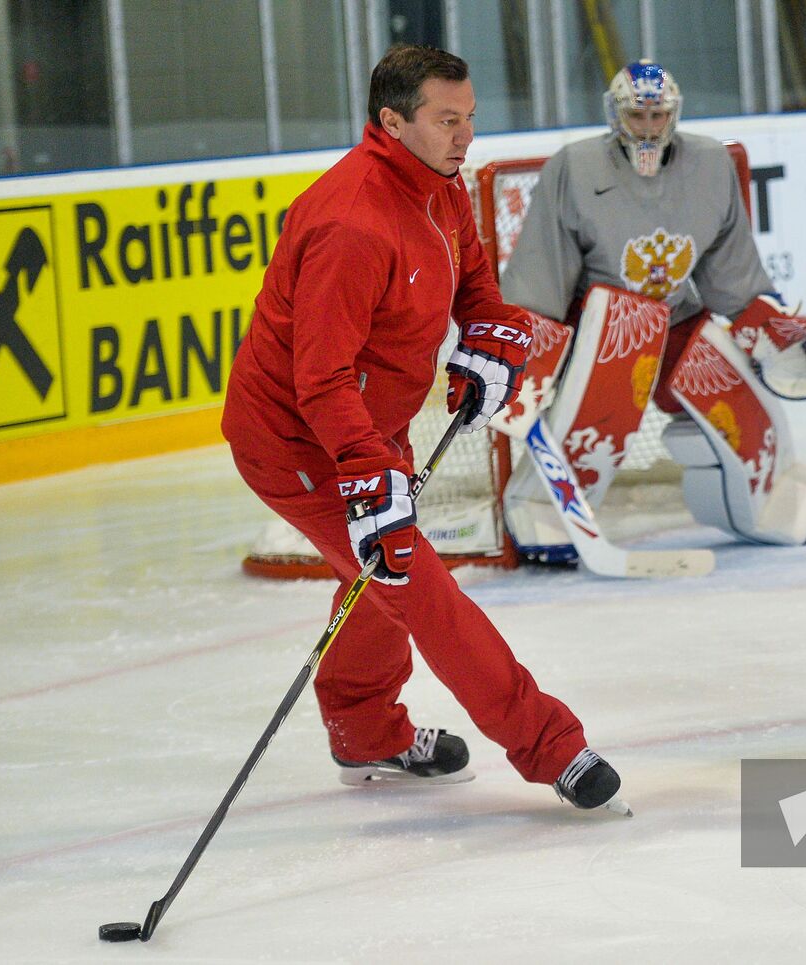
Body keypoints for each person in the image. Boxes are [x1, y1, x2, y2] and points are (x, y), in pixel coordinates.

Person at [222, 44, 627, 813]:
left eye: (470, 117)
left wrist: (489, 331)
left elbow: (471, 275)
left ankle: (367, 731)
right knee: (416, 583)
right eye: (447, 120)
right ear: (393, 122)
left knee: (374, 576)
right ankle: (551, 745)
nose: (465, 135)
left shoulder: (439, 184)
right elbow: (320, 379)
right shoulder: (351, 223)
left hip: (372, 420)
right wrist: (365, 470)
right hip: (300, 441)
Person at [495, 60, 806, 565]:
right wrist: (525, 362)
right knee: (620, 344)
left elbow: (732, 276)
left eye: (658, 116)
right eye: (638, 117)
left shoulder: (708, 164)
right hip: (606, 331)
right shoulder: (575, 168)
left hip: (680, 317)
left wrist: (772, 329)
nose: (649, 128)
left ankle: (768, 492)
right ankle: (541, 506)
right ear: (615, 116)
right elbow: (541, 274)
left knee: (743, 411)